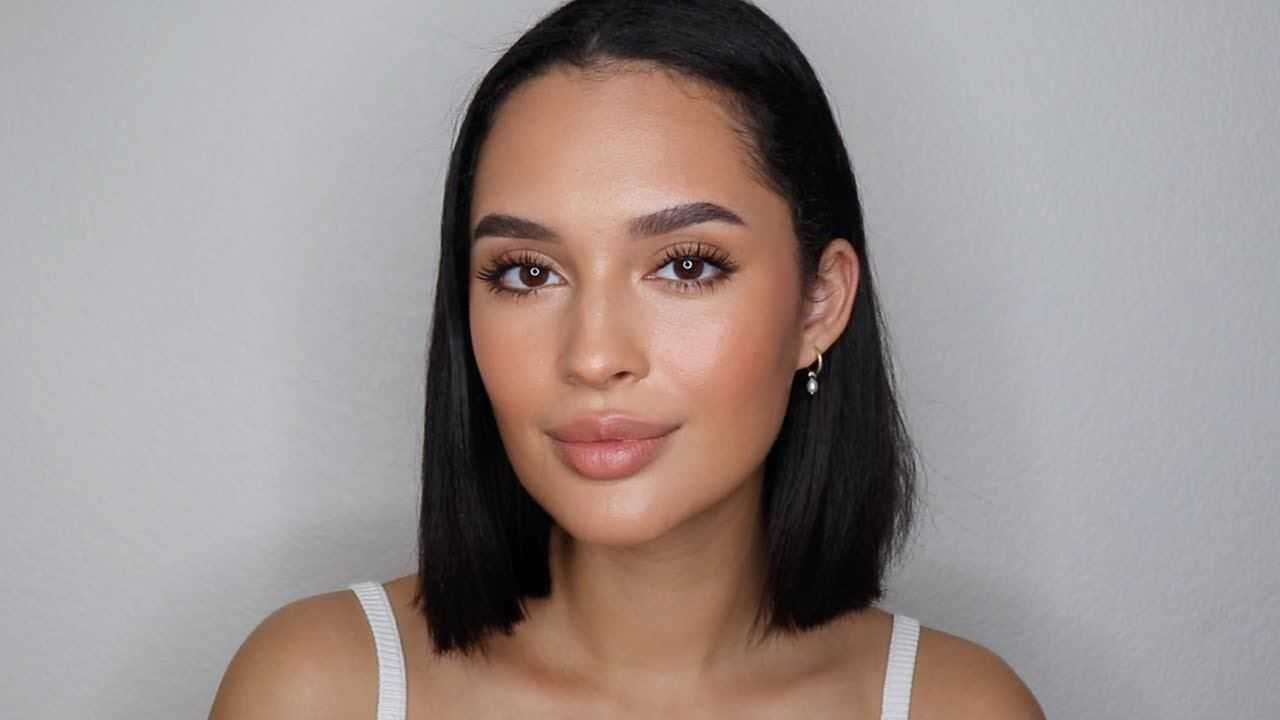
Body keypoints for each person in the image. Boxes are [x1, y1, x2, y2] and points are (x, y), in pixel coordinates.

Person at [210, 0, 1045, 717]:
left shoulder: (958, 706)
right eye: (528, 273)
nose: (594, 355)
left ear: (818, 303)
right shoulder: (320, 691)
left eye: (686, 265)